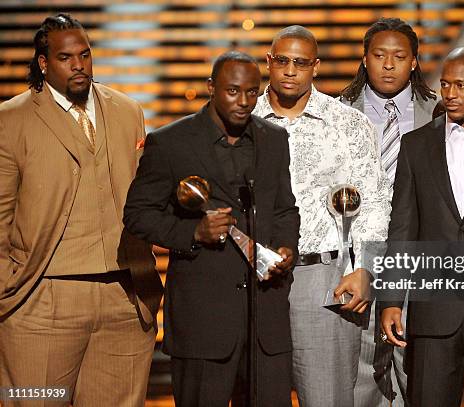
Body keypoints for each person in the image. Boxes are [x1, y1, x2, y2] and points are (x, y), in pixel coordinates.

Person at [0, 13, 162, 406]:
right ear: (44, 62)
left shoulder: (127, 111)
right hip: (43, 296)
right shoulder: (11, 119)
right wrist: (11, 285)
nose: (78, 65)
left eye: (85, 55)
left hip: (123, 296)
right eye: (66, 57)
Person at [123, 51, 300, 407]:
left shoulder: (273, 139)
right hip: (204, 322)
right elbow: (138, 214)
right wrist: (193, 233)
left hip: (265, 321)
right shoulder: (172, 142)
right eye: (233, 91)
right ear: (211, 88)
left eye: (252, 92)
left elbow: (284, 208)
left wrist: (285, 248)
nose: (244, 101)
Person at [252, 25, 392, 407]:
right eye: (282, 61)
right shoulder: (244, 120)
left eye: (300, 63)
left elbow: (375, 202)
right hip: (253, 278)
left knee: (326, 398)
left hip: (322, 275)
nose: (290, 71)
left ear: (315, 66)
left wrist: (365, 268)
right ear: (269, 62)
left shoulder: (347, 124)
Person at [380, 47, 464, 407]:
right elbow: (402, 228)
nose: (449, 93)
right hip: (432, 307)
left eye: (461, 85)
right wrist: (391, 300)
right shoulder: (416, 145)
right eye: (445, 84)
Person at [339, 17, 437, 406]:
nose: (389, 64)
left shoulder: (440, 112)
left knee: (413, 363)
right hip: (356, 251)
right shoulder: (338, 112)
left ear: (414, 62)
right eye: (380, 55)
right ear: (365, 59)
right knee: (361, 367)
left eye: (399, 56)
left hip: (416, 252)